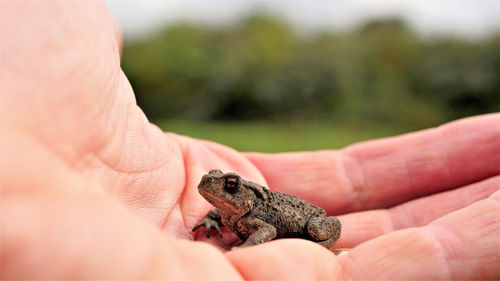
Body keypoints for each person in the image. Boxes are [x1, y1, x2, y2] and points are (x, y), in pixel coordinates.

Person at [1, 1, 499, 279]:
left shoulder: (256, 211)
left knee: (325, 227)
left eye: (227, 188)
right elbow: (222, 216)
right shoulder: (227, 207)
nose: (217, 193)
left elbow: (261, 232)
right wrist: (213, 221)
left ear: (244, 192)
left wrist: (252, 246)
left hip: (296, 216)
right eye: (218, 187)